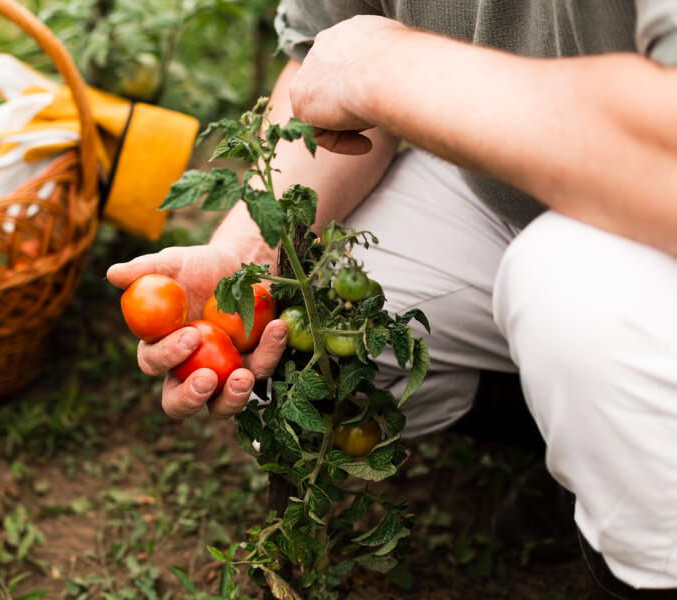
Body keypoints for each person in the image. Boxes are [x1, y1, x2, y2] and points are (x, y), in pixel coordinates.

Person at [107, 2, 677, 597]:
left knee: (573, 300)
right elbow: (326, 64)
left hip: (656, 211)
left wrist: (384, 65)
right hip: (501, 185)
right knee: (311, 345)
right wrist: (248, 263)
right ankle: (578, 448)